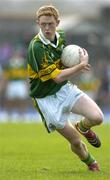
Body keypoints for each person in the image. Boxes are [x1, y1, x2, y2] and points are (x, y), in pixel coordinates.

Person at [27, 5, 104, 171]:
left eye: (51, 24)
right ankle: (92, 163)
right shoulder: (36, 47)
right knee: (76, 142)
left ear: (58, 23)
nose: (47, 28)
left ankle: (83, 126)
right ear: (38, 23)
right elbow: (57, 77)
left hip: (64, 89)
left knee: (97, 118)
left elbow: (63, 62)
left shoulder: (61, 36)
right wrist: (80, 66)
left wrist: (76, 61)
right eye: (43, 24)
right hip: (46, 100)